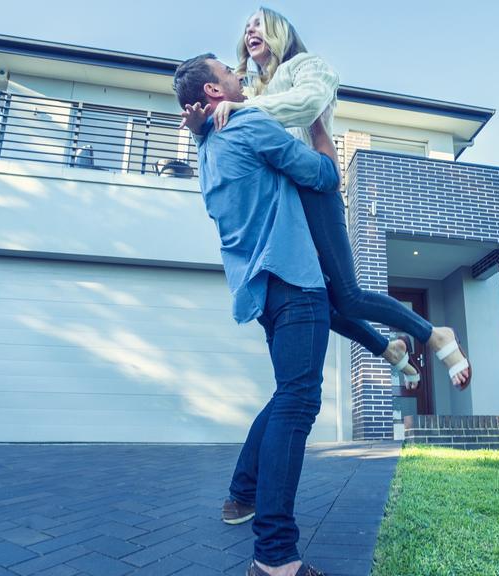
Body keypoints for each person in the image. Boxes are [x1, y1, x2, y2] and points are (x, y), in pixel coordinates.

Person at [181, 7, 472, 392]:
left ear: (279, 32)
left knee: (347, 297)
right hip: (288, 204)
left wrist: (242, 108)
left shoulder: (307, 66)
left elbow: (308, 103)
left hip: (317, 188)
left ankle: (434, 334)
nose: (250, 31)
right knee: (323, 304)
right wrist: (203, 127)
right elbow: (231, 134)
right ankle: (391, 350)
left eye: (258, 24)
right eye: (246, 27)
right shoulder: (250, 92)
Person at [173, 53, 336, 576]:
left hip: (263, 293)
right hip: (294, 279)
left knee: (288, 392)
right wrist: (318, 125)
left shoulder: (206, 148)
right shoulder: (245, 123)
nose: (240, 74)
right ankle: (274, 557)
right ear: (215, 93)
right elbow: (322, 175)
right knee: (298, 404)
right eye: (229, 73)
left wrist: (201, 128)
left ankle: (242, 494)